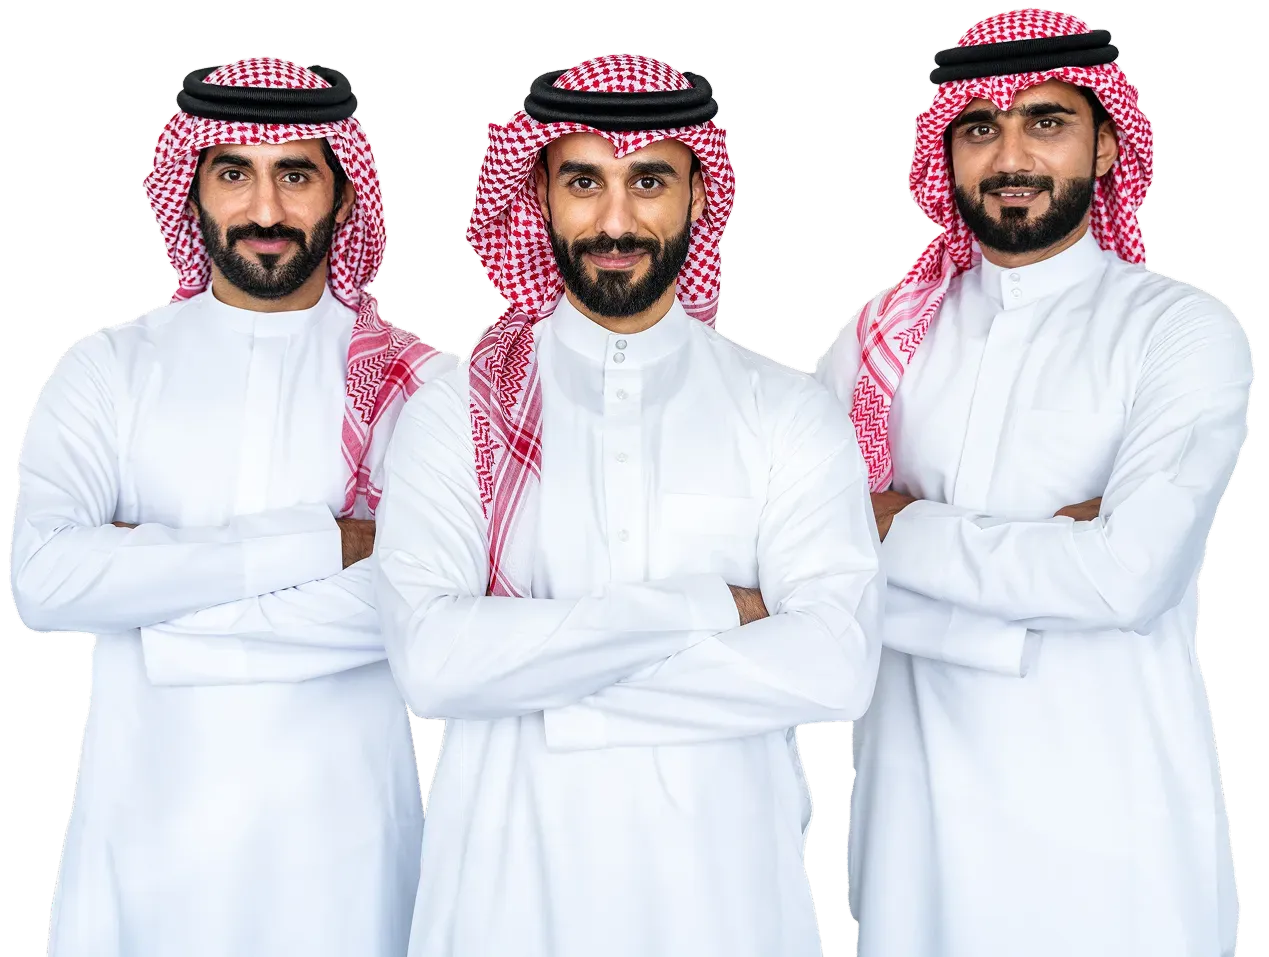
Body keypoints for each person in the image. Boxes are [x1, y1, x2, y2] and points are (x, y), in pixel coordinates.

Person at [371, 53, 884, 957]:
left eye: (648, 181)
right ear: (539, 194)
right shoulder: (457, 410)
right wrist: (711, 607)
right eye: (583, 181)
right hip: (503, 897)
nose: (615, 220)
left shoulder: (784, 408)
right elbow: (433, 667)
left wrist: (539, 687)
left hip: (722, 902)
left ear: (696, 195)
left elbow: (836, 667)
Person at [814, 10, 1251, 957]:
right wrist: (1045, 558)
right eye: (979, 127)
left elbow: (1121, 579)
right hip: (912, 843)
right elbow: (796, 580)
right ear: (947, 154)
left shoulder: (1176, 330)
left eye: (1044, 122)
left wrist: (891, 528)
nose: (1010, 154)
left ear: (1104, 144)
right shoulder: (878, 340)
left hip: (1114, 846)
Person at [10, 57, 456, 957]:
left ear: (340, 192)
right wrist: (324, 541)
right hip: (144, 846)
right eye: (233, 173)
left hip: (343, 856)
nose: (264, 209)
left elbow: (425, 607)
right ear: (193, 189)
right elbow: (49, 584)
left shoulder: (421, 387)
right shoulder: (107, 369)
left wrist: (149, 606)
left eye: (295, 174)